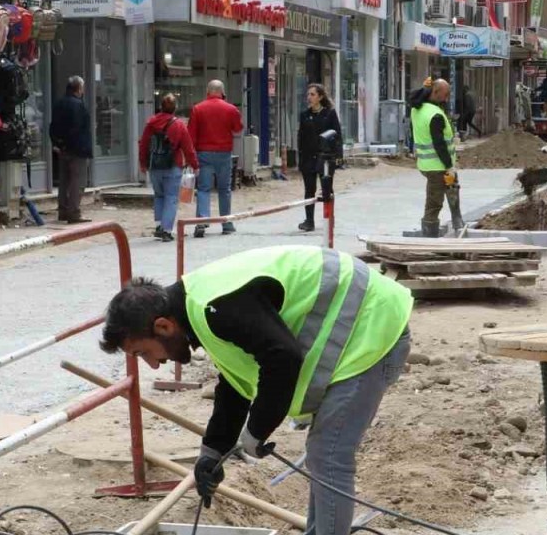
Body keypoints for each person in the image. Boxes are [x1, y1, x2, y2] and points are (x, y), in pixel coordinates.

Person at [98, 245, 412, 535]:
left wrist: (256, 430)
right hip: (360, 328)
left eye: (144, 353)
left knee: (329, 455)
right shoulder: (201, 311)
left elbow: (282, 358)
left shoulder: (216, 306)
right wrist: (212, 452)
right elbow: (234, 384)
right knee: (323, 454)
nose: (153, 365)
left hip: (373, 327)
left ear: (164, 326)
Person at [139, 94, 198, 242]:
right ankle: (166, 230)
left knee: (159, 195)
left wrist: (143, 163)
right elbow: (188, 147)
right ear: (175, 108)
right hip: (173, 165)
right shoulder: (178, 125)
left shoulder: (151, 123)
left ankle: (159, 225)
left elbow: (144, 144)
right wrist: (194, 164)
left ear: (161, 106)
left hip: (154, 166)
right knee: (171, 198)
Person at [188, 80, 243, 238]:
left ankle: (202, 220)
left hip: (203, 153)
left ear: (207, 91)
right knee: (224, 189)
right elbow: (238, 128)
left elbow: (191, 134)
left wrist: (191, 157)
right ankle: (226, 223)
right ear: (222, 92)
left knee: (204, 188)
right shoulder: (230, 109)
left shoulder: (197, 109)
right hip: (223, 153)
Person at [411, 78, 464, 236]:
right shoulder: (435, 115)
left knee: (452, 187)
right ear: (435, 92)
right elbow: (439, 144)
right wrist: (449, 166)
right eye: (445, 94)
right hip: (437, 166)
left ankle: (458, 221)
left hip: (427, 164)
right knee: (434, 202)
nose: (446, 98)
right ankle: (429, 235)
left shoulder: (417, 109)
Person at [296, 84, 341, 232]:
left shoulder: (329, 114)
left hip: (325, 157)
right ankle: (309, 221)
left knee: (327, 189)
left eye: (313, 94)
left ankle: (329, 219)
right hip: (308, 157)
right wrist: (300, 158)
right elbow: (301, 137)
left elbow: (337, 135)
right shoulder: (304, 115)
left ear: (320, 97)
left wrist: (338, 157)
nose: (309, 97)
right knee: (309, 189)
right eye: (308, 94)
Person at [50, 76, 92, 223]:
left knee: (64, 181)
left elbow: (53, 126)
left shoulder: (59, 103)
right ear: (79, 89)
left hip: (63, 149)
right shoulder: (79, 105)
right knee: (77, 182)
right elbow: (78, 128)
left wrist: (58, 143)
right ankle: (74, 212)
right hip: (77, 149)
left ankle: (63, 211)